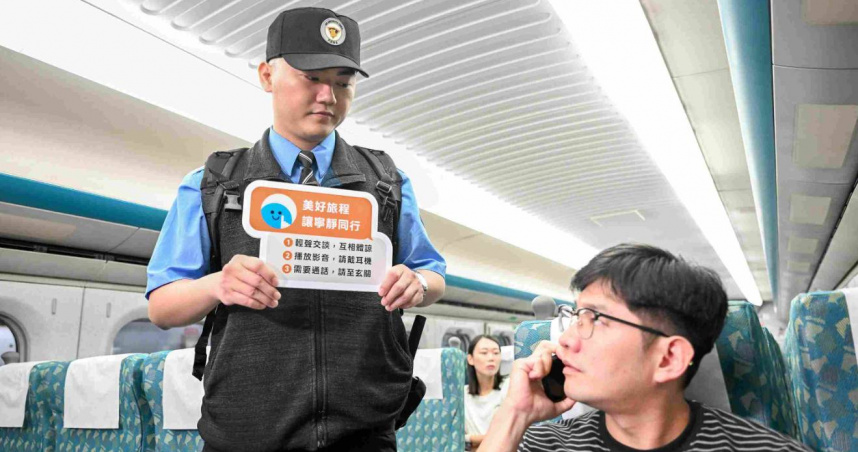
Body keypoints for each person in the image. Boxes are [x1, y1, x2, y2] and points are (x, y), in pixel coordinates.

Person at [146, 7, 446, 452]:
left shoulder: (386, 182)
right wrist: (218, 284)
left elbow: (433, 275)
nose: (328, 95)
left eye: (343, 83)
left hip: (364, 433)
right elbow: (162, 308)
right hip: (246, 432)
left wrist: (417, 283)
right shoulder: (215, 184)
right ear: (268, 76)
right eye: (311, 78)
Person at [479, 244, 810, 452]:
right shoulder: (542, 444)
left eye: (593, 318)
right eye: (575, 316)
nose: (564, 339)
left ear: (668, 358)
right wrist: (515, 414)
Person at [464, 335, 506, 451]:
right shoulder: (461, 395)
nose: (491, 358)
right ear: (470, 359)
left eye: (496, 353)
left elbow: (508, 435)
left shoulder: (509, 389)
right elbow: (456, 438)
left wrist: (470, 440)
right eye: (484, 353)